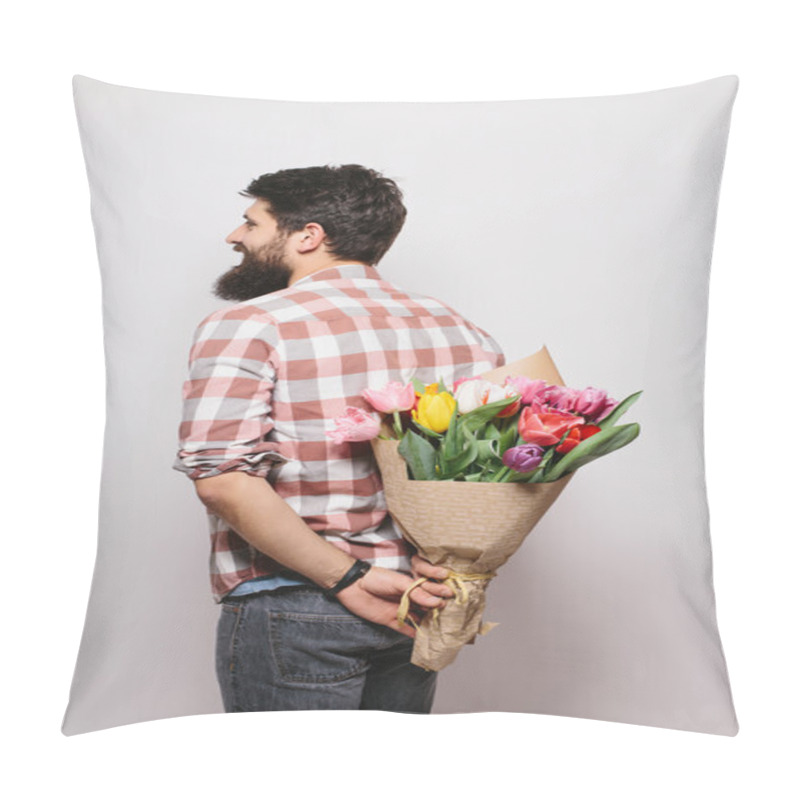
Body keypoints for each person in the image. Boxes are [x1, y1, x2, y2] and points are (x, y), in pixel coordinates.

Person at [173, 164, 505, 713]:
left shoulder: (250, 323)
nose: (235, 237)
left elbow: (224, 482)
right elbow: (482, 479)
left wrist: (348, 576)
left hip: (297, 602)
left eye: (251, 224)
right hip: (411, 603)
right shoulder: (463, 331)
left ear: (308, 236)